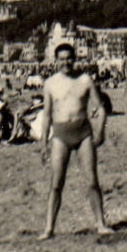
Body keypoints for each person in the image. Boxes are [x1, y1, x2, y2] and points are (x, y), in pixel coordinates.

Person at [39, 42, 112, 239]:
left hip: (83, 133)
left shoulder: (85, 80)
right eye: (62, 59)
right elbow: (46, 115)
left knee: (92, 181)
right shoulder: (50, 83)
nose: (66, 63)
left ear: (75, 59)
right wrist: (43, 143)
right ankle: (49, 228)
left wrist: (100, 131)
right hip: (60, 135)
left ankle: (101, 223)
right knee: (56, 183)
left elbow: (101, 108)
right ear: (56, 61)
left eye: (69, 58)